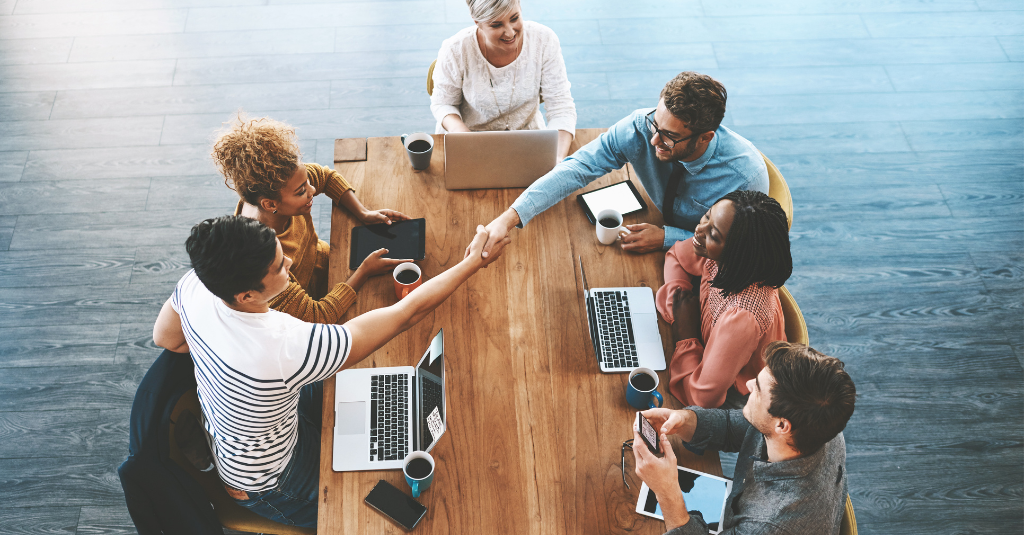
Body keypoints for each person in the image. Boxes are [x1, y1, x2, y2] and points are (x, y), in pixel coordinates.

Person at [152, 216, 503, 527]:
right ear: (245, 295)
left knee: (377, 399)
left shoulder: (197, 283)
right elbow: (405, 315)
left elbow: (166, 338)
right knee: (361, 513)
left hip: (248, 432)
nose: (288, 261)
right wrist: (472, 263)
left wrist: (219, 356)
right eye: (277, 267)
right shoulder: (284, 344)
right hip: (269, 481)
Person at [476, 71, 768, 262]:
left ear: (705, 137)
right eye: (657, 122)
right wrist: (508, 218)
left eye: (670, 136)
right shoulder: (643, 125)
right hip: (650, 238)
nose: (654, 139)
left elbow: (742, 251)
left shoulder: (745, 177)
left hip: (702, 261)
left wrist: (666, 237)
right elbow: (577, 167)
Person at [632, 342, 857, 535]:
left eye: (758, 389)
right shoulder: (820, 425)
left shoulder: (768, 524)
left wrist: (667, 493)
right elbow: (735, 427)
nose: (749, 384)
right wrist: (685, 419)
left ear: (781, 425)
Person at [213, 115, 409, 324]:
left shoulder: (283, 181)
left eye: (307, 182)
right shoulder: (264, 262)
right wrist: (364, 272)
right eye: (301, 191)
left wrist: (363, 213)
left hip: (326, 262)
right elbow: (318, 316)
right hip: (305, 306)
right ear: (270, 205)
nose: (313, 191)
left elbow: (325, 177)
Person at [658, 190, 792, 409]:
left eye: (713, 234)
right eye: (707, 216)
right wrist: (678, 303)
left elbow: (702, 400)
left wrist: (686, 333)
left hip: (739, 396)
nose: (699, 230)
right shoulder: (721, 257)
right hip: (707, 359)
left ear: (738, 254)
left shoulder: (742, 317)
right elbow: (676, 256)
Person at [430, 0, 577, 161]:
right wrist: (462, 133)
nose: (509, 33)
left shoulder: (544, 40)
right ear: (477, 22)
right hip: (471, 141)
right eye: (496, 25)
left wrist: (556, 158)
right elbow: (442, 103)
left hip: (528, 140)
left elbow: (561, 107)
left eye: (514, 18)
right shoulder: (455, 49)